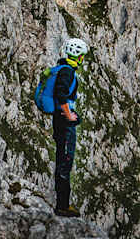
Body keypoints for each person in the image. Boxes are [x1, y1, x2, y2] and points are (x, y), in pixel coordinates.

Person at [52, 36, 88, 217]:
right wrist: (69, 115)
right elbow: (61, 94)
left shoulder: (63, 68)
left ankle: (63, 203)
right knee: (65, 162)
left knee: (62, 161)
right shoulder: (67, 72)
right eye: (82, 55)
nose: (83, 59)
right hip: (64, 123)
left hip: (60, 121)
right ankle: (62, 206)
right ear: (78, 55)